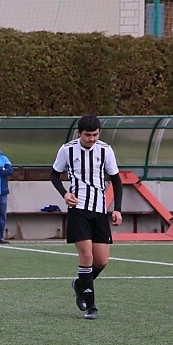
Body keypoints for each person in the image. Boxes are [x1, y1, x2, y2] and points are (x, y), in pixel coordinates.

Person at [51, 114, 123, 320]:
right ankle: (91, 307)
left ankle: (79, 284)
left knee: (102, 261)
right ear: (79, 133)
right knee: (87, 256)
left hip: (99, 209)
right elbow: (54, 175)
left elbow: (116, 180)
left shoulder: (105, 150)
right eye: (88, 135)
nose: (92, 139)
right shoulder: (67, 150)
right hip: (78, 209)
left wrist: (117, 208)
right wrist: (65, 194)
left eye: (95, 135)